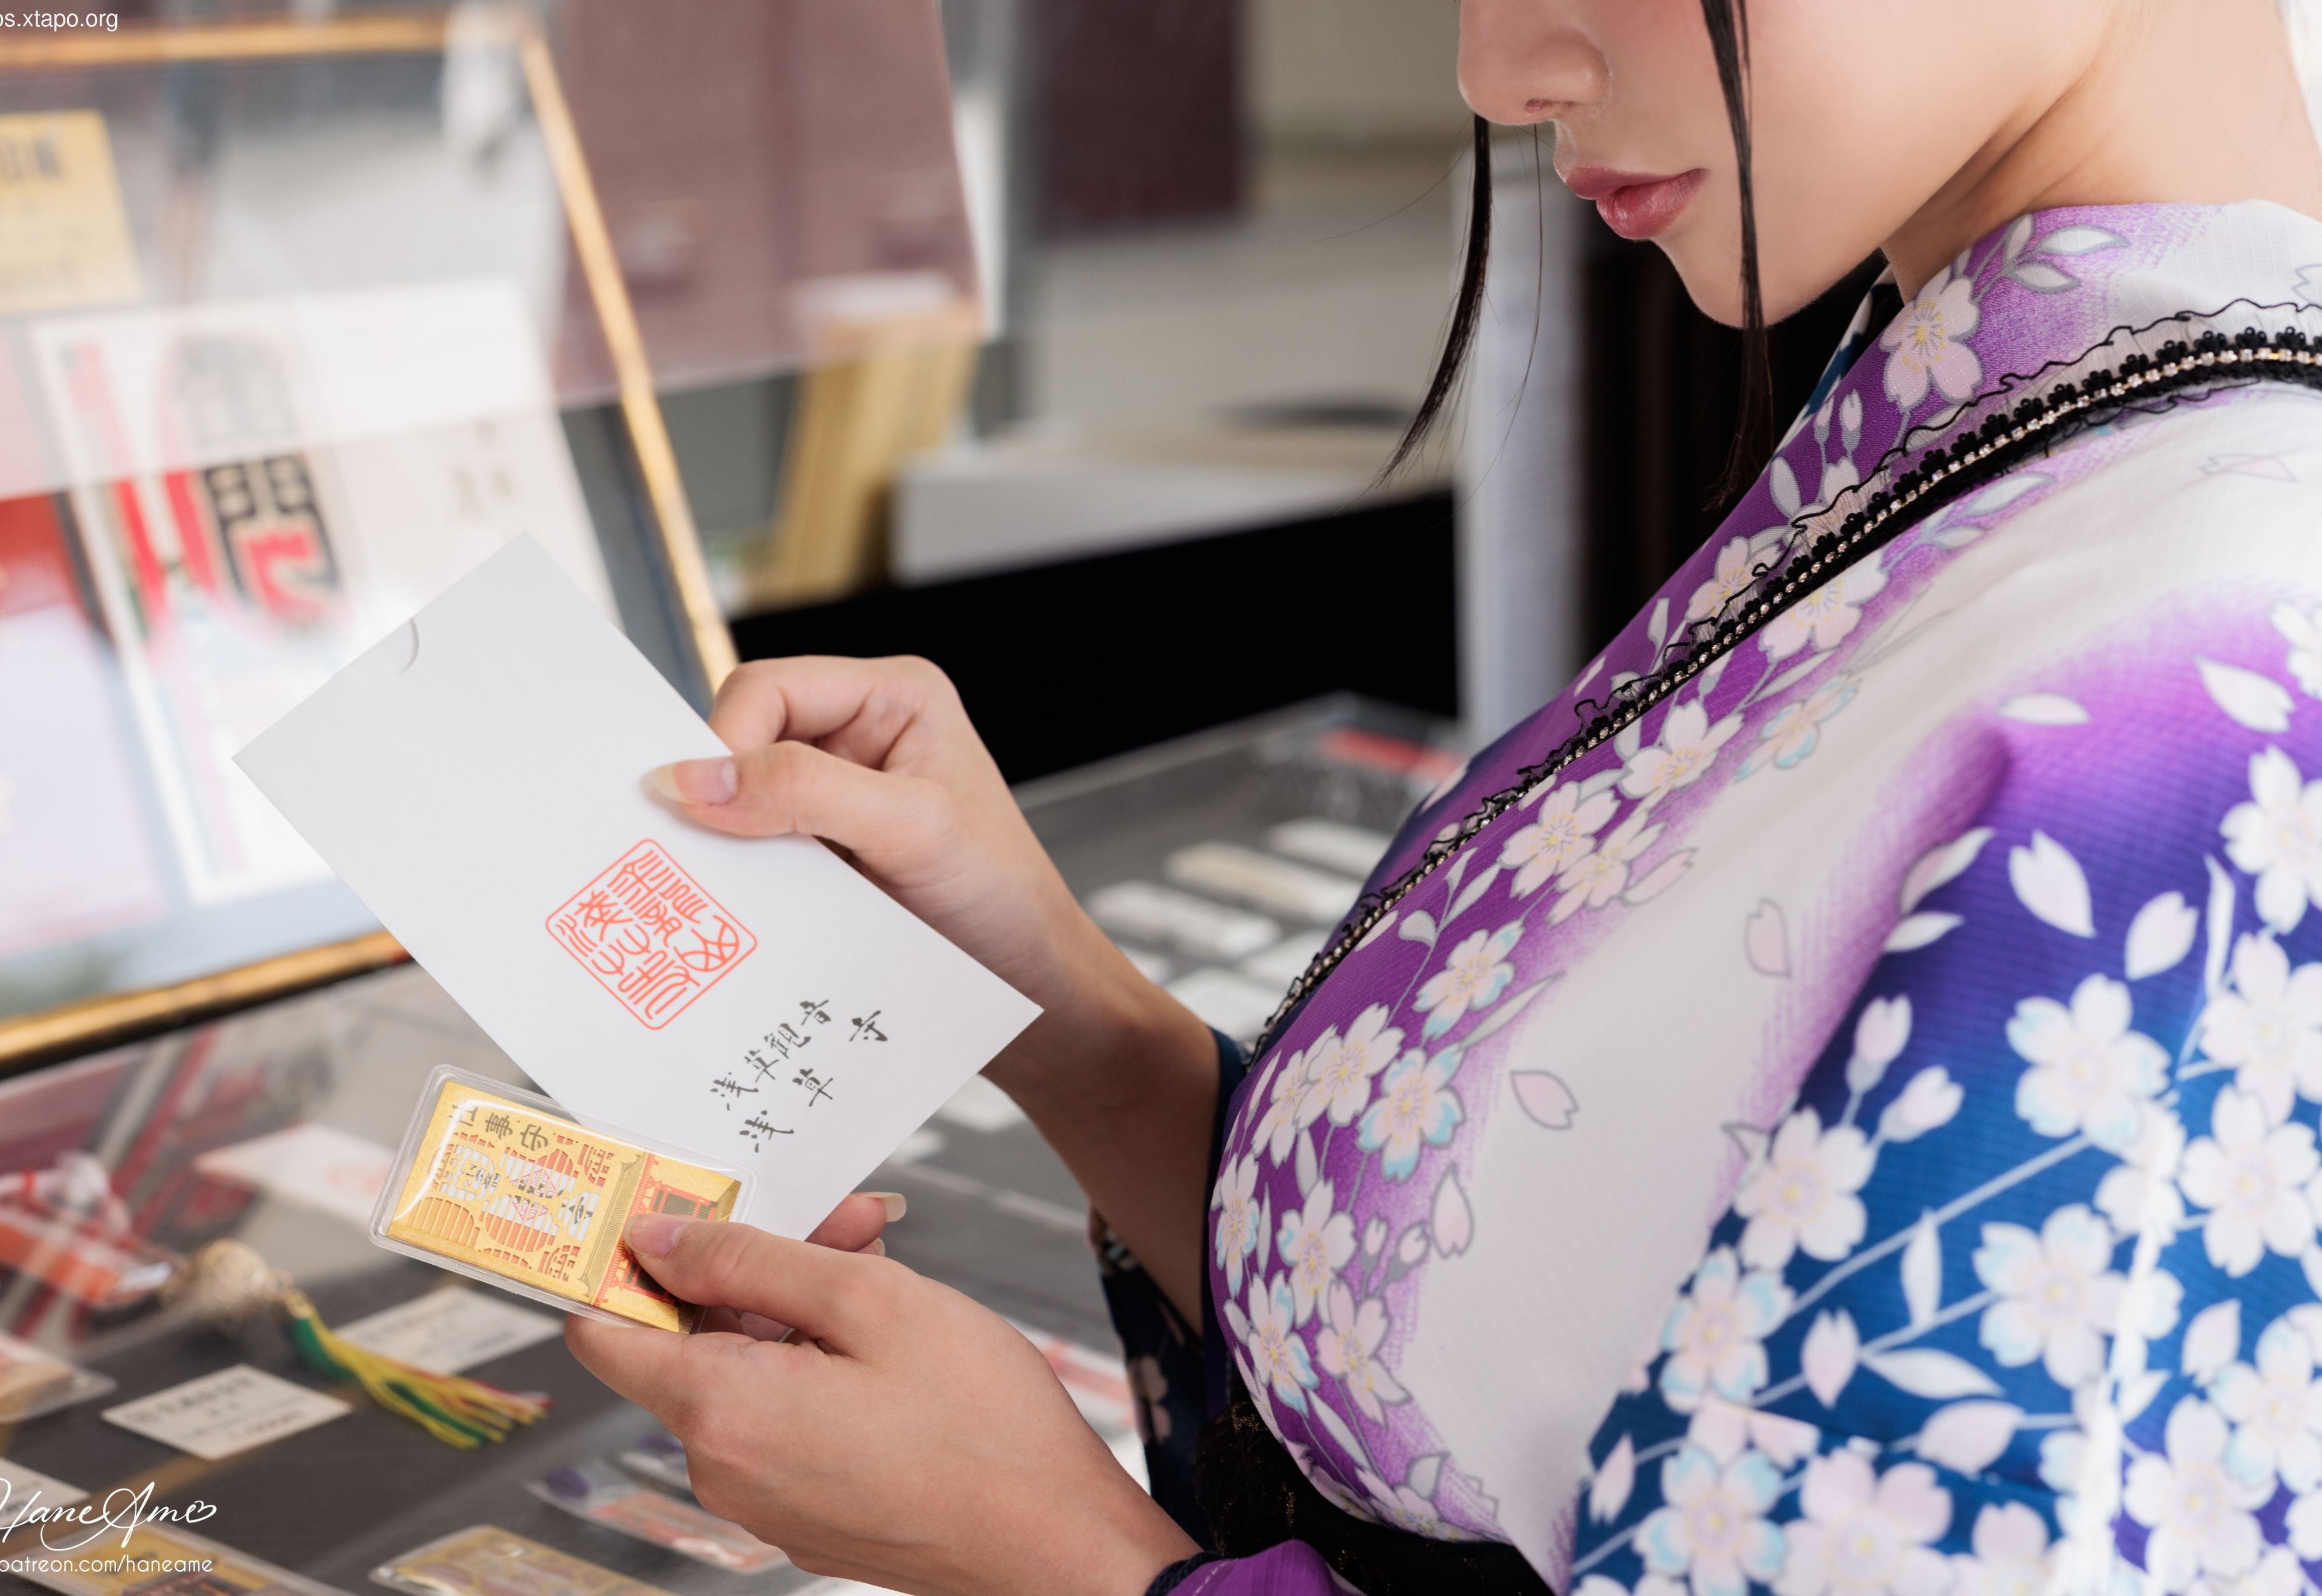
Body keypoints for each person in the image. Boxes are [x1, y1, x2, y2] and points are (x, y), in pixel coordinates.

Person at [566, 1, 2322, 1591]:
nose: (1496, 68)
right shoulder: (2004, 425)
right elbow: (1491, 1355)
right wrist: (1051, 999)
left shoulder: (2210, 675)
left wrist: (1061, 1557)